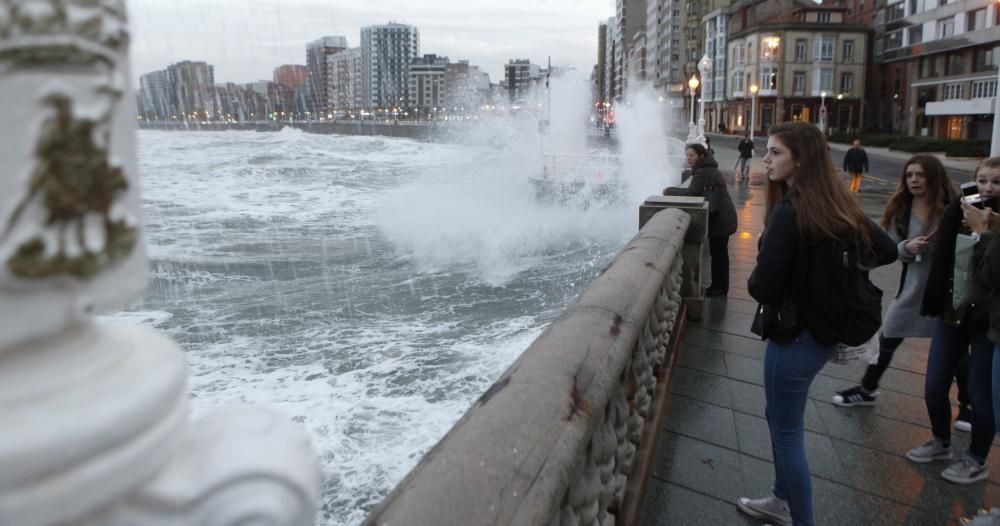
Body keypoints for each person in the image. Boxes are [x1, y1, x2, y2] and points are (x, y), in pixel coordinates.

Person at [737, 122, 896, 526]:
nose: (766, 159)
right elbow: (887, 250)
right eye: (767, 151)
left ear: (801, 160)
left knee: (787, 433)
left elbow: (761, 286)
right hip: (822, 335)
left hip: (794, 339)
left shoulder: (791, 213)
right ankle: (779, 499)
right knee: (779, 420)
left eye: (775, 153)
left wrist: (804, 275)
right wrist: (836, 275)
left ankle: (795, 514)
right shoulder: (838, 202)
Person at [832, 155, 966, 413]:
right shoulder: (901, 209)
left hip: (949, 291)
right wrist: (907, 247)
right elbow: (889, 248)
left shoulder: (953, 208)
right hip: (913, 289)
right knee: (888, 338)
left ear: (934, 177)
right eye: (909, 175)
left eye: (921, 175)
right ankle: (867, 389)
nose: (914, 180)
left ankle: (968, 405)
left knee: (958, 352)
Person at [908, 157, 1000, 484]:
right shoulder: (956, 212)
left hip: (988, 323)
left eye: (997, 182)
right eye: (983, 180)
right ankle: (940, 441)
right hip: (953, 313)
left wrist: (986, 231)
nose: (988, 188)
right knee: (934, 384)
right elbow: (943, 261)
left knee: (980, 394)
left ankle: (976, 459)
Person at [662, 143, 737, 297]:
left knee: (719, 256)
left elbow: (691, 192)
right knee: (720, 255)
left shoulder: (703, 171)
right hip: (724, 217)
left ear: (701, 156)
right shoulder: (708, 168)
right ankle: (721, 287)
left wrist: (669, 190)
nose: (688, 158)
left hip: (721, 220)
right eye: (687, 155)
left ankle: (719, 288)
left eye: (692, 155)